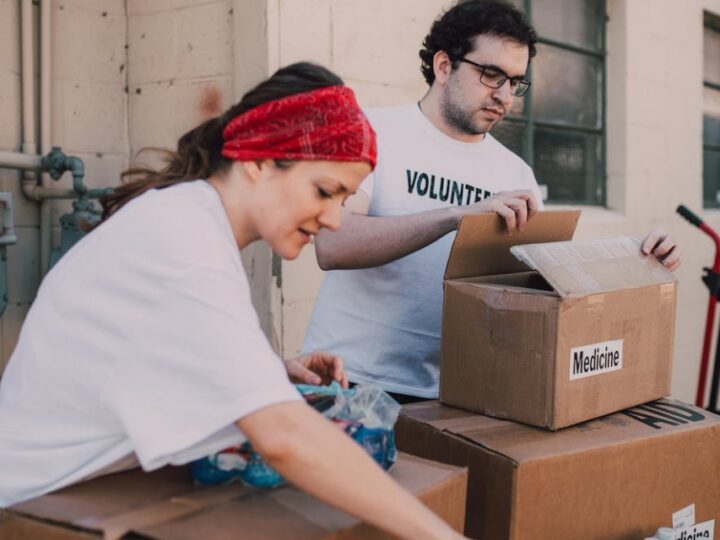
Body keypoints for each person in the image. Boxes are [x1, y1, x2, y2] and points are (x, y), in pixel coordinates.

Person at [0, 63, 465, 540]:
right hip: (30, 505)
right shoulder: (184, 242)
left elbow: (134, 351)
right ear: (260, 159)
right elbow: (284, 437)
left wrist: (263, 370)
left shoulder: (186, 218)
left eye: (343, 199)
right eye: (325, 192)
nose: (335, 220)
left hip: (73, 491)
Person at [303, 0, 682, 403]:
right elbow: (332, 244)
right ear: (444, 65)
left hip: (451, 395)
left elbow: (544, 284)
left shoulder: (516, 175)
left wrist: (638, 258)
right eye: (491, 75)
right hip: (347, 380)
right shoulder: (371, 131)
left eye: (515, 82)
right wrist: (455, 215)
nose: (505, 96)